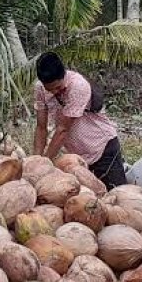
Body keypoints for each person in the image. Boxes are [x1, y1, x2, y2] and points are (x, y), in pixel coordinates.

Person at [33, 52, 126, 188]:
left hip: (102, 149)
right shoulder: (40, 88)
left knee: (118, 195)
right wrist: (35, 161)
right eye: (49, 90)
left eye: (58, 88)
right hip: (77, 158)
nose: (54, 92)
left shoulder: (78, 86)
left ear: (64, 74)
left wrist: (45, 164)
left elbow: (62, 130)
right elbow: (41, 127)